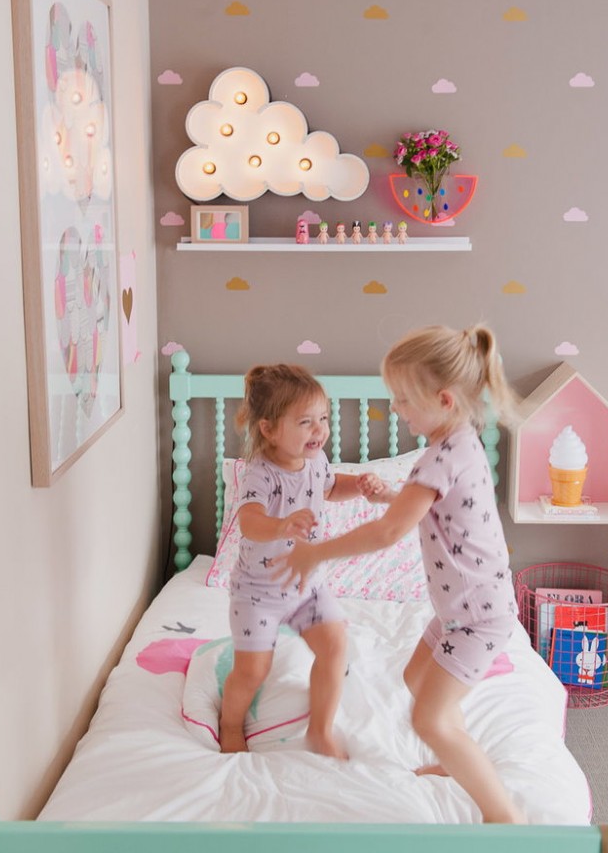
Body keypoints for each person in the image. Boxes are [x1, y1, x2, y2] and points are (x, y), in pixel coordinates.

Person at [273, 325, 525, 823]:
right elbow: (434, 504)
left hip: (477, 616)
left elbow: (389, 533)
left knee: (428, 718)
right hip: (462, 609)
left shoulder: (443, 454)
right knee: (414, 677)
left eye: (404, 400)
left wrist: (316, 553)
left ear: (445, 399)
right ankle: (457, 761)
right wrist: (392, 493)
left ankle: (504, 818)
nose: (397, 410)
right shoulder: (459, 442)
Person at [219, 363, 368, 760]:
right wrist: (282, 524)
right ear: (268, 429)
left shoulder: (316, 462)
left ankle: (320, 732)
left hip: (307, 586)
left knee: (336, 646)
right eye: (305, 422)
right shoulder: (260, 475)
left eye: (323, 418)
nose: (319, 430)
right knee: (252, 671)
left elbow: (333, 487)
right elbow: (249, 523)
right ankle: (230, 723)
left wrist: (362, 486)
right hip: (258, 593)